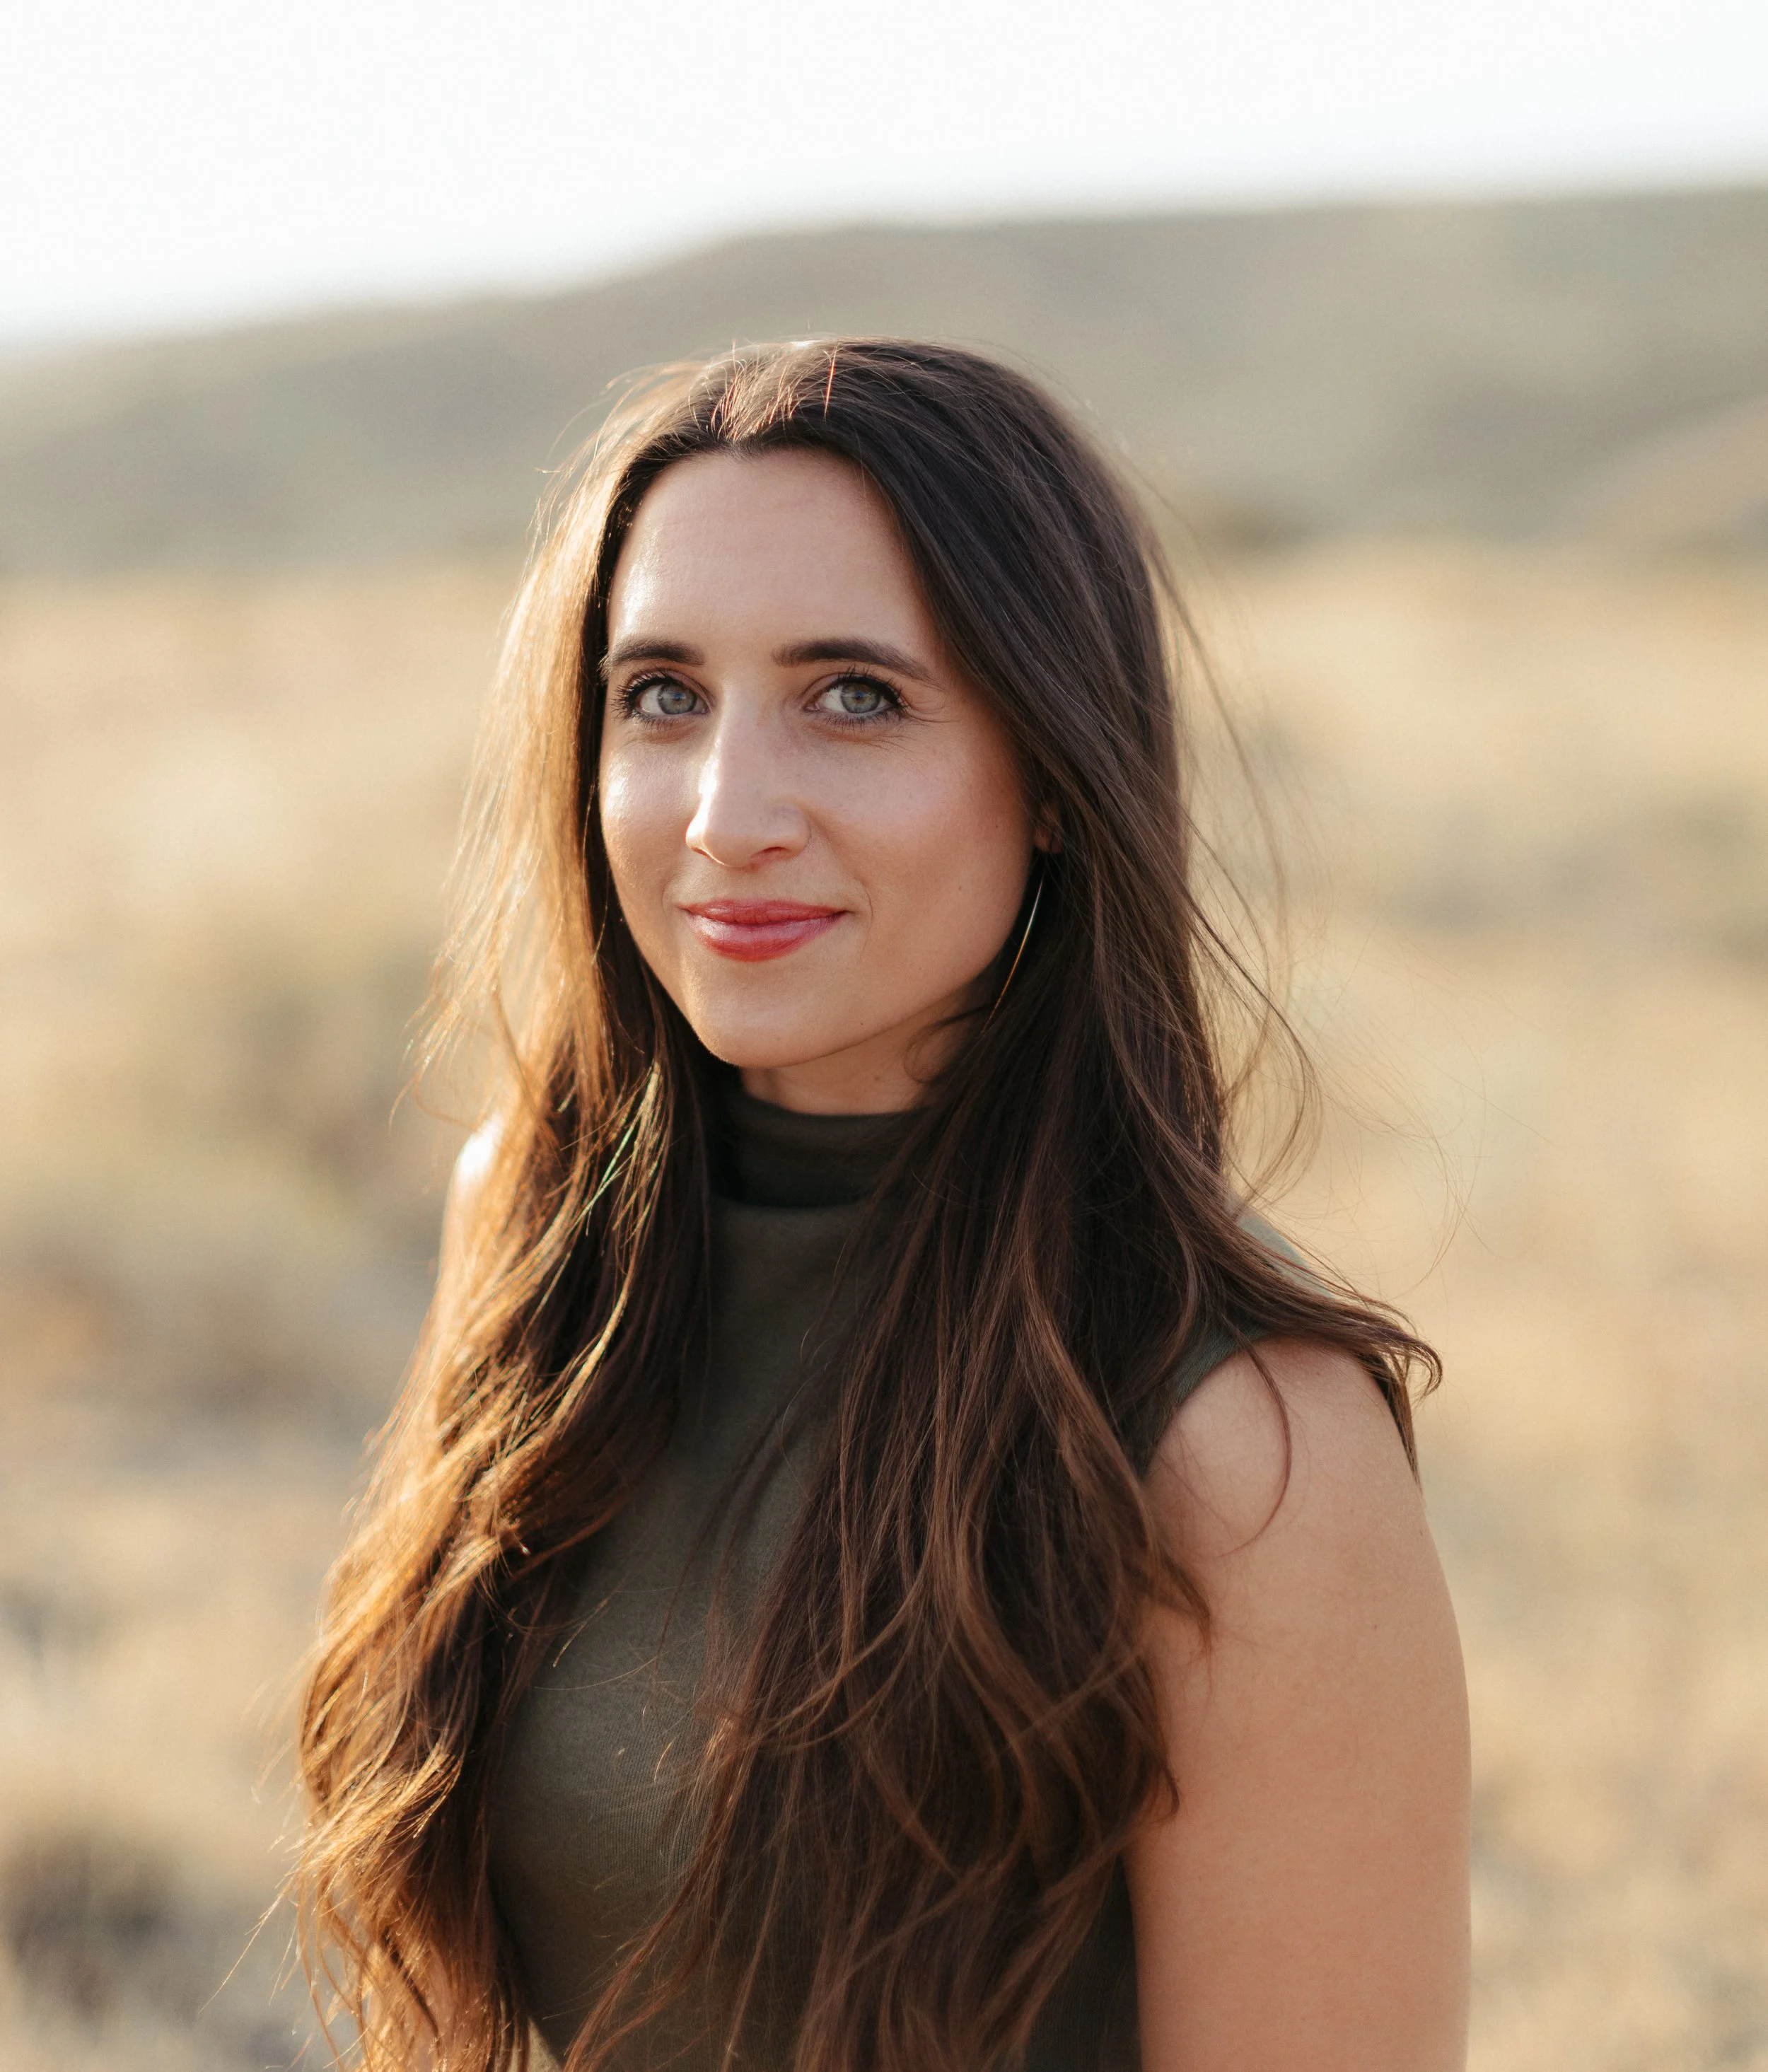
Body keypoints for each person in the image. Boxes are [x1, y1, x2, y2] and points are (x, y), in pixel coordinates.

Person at [297, 339, 1470, 2072]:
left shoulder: (1241, 1438)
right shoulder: (536, 1232)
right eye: (660, 695)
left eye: (852, 697)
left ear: (1055, 773)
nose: (725, 817)